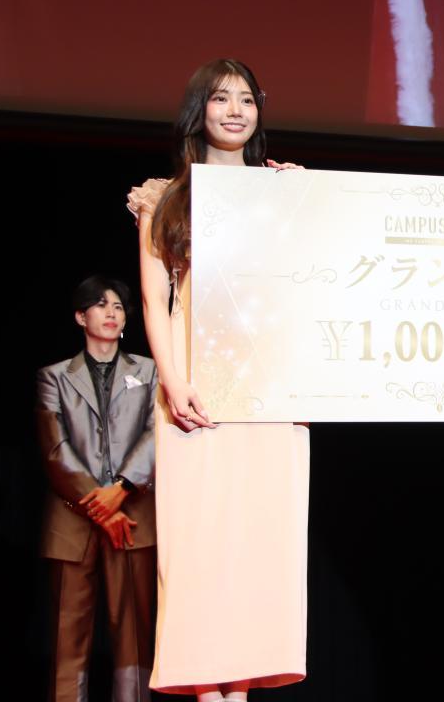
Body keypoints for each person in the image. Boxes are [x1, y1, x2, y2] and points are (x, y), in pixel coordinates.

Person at [128, 58, 310, 701]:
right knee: (202, 541)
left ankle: (241, 690)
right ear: (197, 111)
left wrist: (306, 200)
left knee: (260, 540)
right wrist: (172, 381)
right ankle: (209, 692)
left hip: (267, 384)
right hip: (194, 383)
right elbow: (154, 300)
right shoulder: (165, 198)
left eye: (247, 99)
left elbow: (312, 284)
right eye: (221, 98)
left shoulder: (281, 190)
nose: (236, 110)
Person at [35, 275, 158, 702]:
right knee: (67, 639)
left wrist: (121, 488)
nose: (111, 312)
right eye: (101, 305)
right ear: (80, 316)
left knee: (135, 641)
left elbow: (156, 433)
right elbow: (55, 450)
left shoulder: (149, 370)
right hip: (72, 522)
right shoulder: (53, 376)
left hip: (133, 517)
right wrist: (101, 505)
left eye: (118, 306)